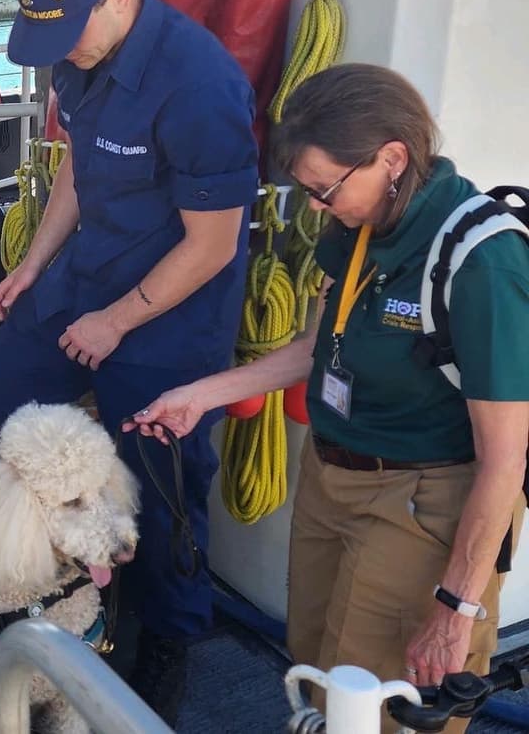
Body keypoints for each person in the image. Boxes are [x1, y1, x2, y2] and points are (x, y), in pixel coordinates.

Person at [132, 63, 529, 733]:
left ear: (393, 158)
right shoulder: (358, 227)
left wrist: (455, 610)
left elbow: (505, 461)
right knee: (315, 664)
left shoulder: (483, 261)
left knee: (379, 702)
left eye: (325, 189)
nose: (317, 208)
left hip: (420, 500)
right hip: (330, 475)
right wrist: (199, 396)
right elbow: (317, 349)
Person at [0, 0, 259, 723]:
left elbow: (214, 244)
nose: (63, 49)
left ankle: (168, 636)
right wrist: (33, 265)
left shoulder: (199, 85)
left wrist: (117, 324)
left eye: (68, 31)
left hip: (170, 310)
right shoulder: (78, 55)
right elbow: (80, 173)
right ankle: (30, 573)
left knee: (160, 480)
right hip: (86, 275)